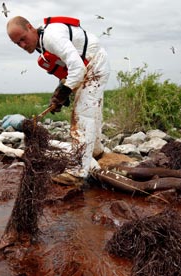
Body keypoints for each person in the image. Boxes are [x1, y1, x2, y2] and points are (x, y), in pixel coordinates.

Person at [6, 15, 110, 185]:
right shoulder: (42, 43)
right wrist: (60, 92)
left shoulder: (51, 37)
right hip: (89, 64)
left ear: (30, 27)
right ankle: (96, 151)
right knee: (92, 111)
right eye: (18, 43)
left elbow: (77, 67)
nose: (23, 45)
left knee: (82, 116)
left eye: (23, 39)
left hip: (94, 63)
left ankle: (77, 172)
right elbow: (67, 67)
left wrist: (65, 91)